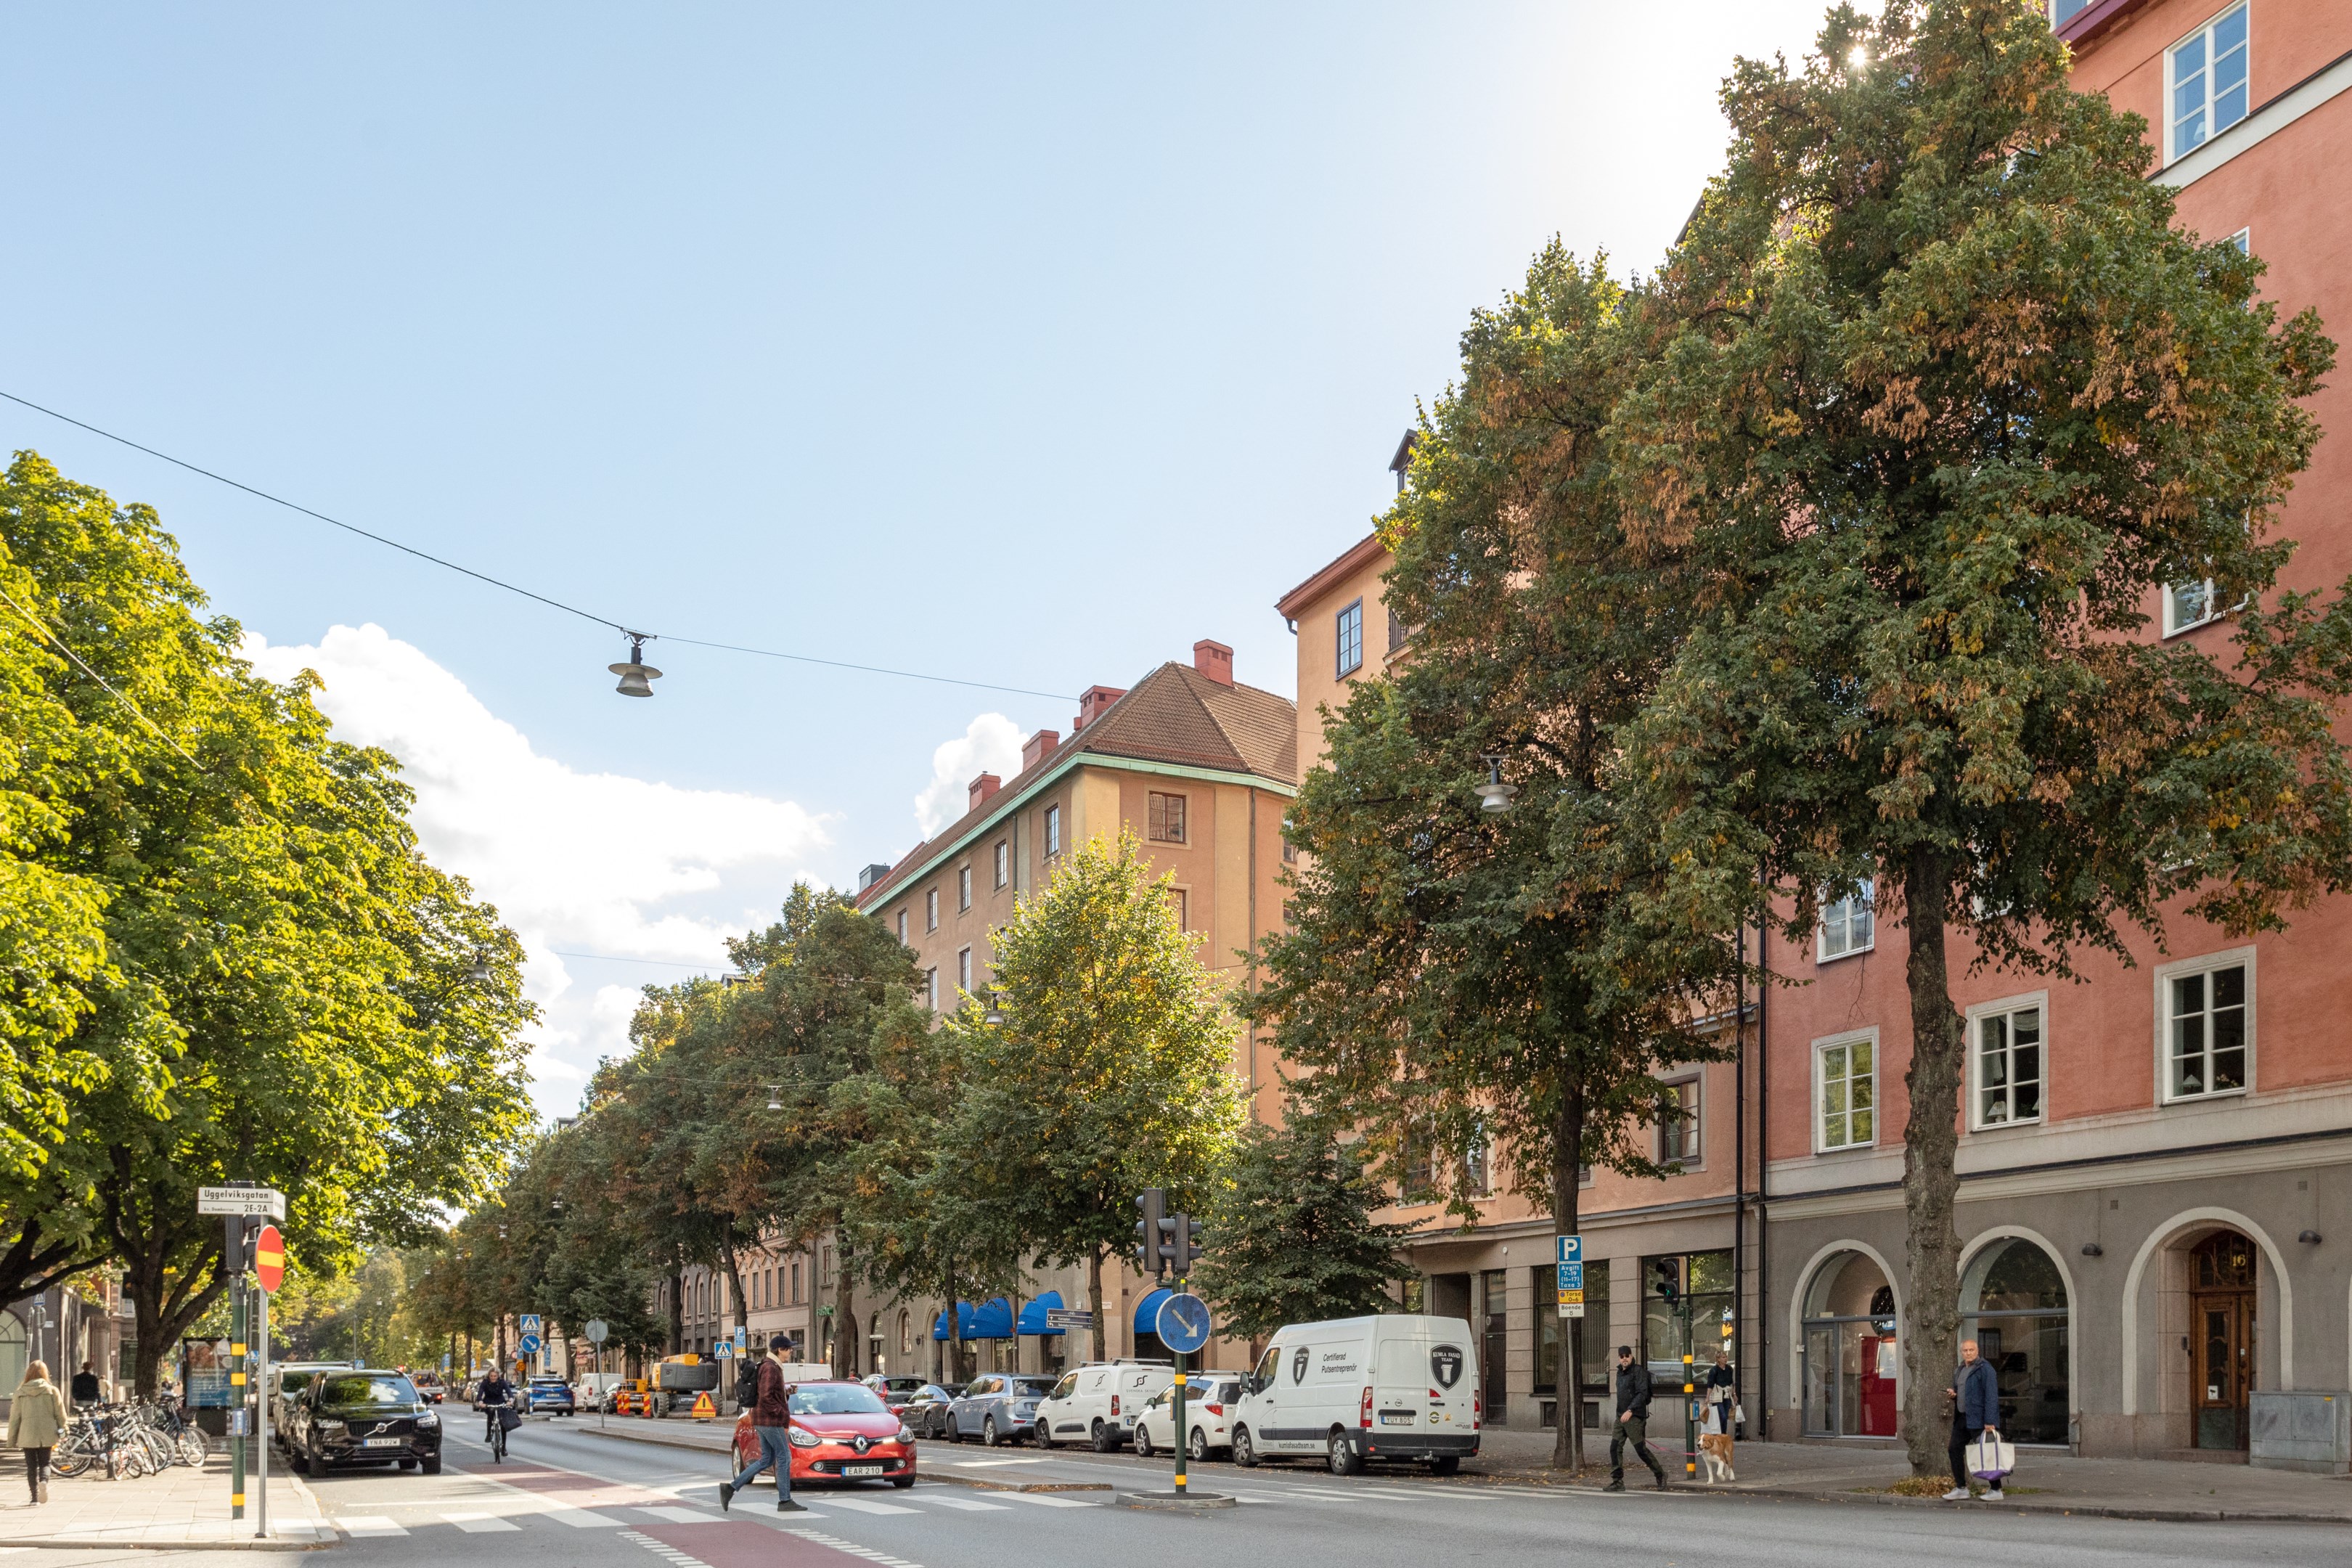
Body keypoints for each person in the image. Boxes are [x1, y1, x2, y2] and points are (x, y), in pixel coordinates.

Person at [719, 1335, 805, 1514]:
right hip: (769, 1421)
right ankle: (785, 1500)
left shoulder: (770, 1366)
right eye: (788, 1349)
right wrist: (782, 1414)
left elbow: (768, 1392)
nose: (791, 1352)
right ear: (780, 1350)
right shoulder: (771, 1368)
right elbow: (766, 1397)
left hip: (762, 1420)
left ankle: (730, 1488)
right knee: (784, 1457)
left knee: (767, 1459)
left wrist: (786, 1391)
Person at [1943, 1338, 2004, 1501]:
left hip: (1980, 1419)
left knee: (1987, 1452)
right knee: (1954, 1449)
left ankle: (1996, 1490)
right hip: (1963, 1417)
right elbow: (1963, 1391)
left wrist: (1990, 1420)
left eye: (1972, 1350)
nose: (1968, 1353)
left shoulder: (1985, 1369)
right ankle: (1961, 1488)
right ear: (1961, 1352)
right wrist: (1954, 1394)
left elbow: (1991, 1396)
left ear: (1977, 1351)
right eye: (1965, 1350)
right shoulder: (1960, 1370)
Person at [1604, 1345, 1669, 1492]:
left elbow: (1642, 1393)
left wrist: (1631, 1410)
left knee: (1641, 1450)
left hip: (1634, 1417)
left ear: (1632, 1356)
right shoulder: (1620, 1372)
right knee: (1615, 1447)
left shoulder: (1638, 1371)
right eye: (1622, 1356)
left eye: (1627, 1355)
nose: (1625, 1358)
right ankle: (1617, 1481)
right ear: (1619, 1358)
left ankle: (1660, 1474)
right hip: (1621, 1416)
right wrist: (1621, 1413)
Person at [7, 1360, 68, 1506]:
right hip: (47, 1432)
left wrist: (11, 1439)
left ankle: (34, 1497)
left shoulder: (20, 1392)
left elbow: (15, 1418)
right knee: (45, 1463)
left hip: (27, 1433)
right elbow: (60, 1414)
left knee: (31, 1466)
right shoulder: (52, 1391)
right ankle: (43, 1481)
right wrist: (64, 1431)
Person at [475, 1366, 517, 1445]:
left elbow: (509, 1392)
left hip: (499, 1401)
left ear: (498, 1376)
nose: (493, 1378)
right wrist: (480, 1402)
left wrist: (510, 1400)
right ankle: (488, 1434)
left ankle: (504, 1447)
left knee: (503, 1423)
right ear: (489, 1376)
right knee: (490, 1415)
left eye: (495, 1376)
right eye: (491, 1376)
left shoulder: (502, 1382)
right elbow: (480, 1393)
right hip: (489, 1402)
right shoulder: (485, 1382)